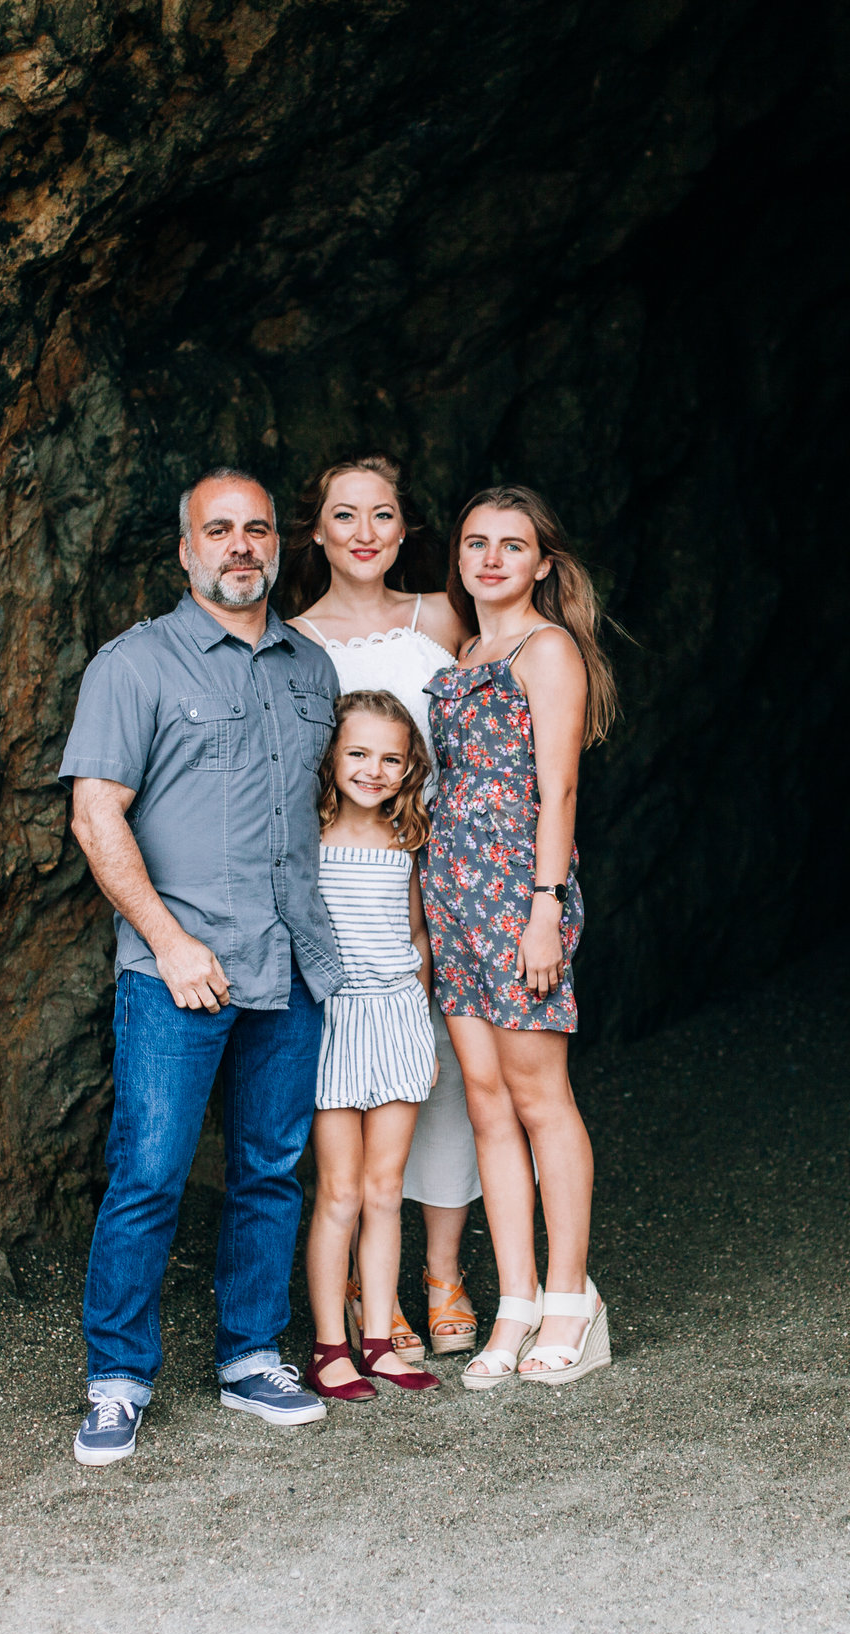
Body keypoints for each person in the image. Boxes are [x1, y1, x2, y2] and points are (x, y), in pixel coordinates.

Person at [59, 467, 344, 1462]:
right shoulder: (133, 666)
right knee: (149, 1170)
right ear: (185, 551)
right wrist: (170, 940)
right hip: (175, 967)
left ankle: (249, 1353)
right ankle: (117, 1375)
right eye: (217, 530)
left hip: (290, 963)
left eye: (256, 529)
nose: (239, 546)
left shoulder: (312, 669)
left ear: (278, 546)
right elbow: (96, 814)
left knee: (270, 1167)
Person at [286, 456, 484, 1361]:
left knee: (446, 1070)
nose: (364, 531)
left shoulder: (441, 615)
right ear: (317, 531)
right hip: (351, 875)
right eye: (344, 515)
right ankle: (371, 1295)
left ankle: (444, 1271)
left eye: (383, 515)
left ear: (407, 531)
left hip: (447, 863)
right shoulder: (291, 639)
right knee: (363, 1086)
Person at [424, 485, 621, 1389]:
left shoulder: (548, 651)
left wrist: (545, 905)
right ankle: (517, 1299)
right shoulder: (466, 648)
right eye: (476, 543)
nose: (492, 557)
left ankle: (574, 1301)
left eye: (513, 544)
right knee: (486, 1102)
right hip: (453, 898)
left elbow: (560, 789)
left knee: (542, 1099)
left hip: (516, 896)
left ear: (544, 562)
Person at [300, 691, 444, 1400]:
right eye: (358, 752)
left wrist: (419, 1019)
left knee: (386, 1190)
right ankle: (330, 1346)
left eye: (391, 757)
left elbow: (416, 937)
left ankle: (381, 1340)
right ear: (332, 754)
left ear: (409, 765)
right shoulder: (309, 835)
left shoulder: (408, 837)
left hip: (396, 1017)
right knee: (341, 1191)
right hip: (334, 1019)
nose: (374, 769)